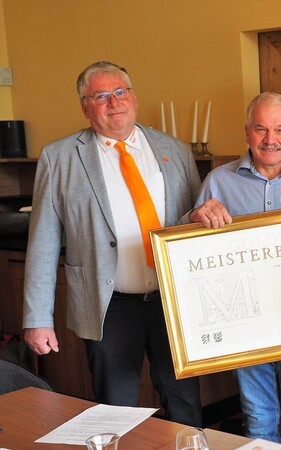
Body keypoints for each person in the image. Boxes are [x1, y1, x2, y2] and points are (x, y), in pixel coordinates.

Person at [22, 61, 217, 425]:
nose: (114, 102)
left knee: (185, 402)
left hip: (172, 301)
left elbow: (193, 220)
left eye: (120, 92)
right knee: (115, 409)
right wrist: (37, 318)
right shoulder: (60, 156)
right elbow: (44, 240)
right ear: (85, 107)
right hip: (108, 307)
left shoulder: (172, 149)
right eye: (101, 96)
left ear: (134, 97)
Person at [188, 92, 281, 450]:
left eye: (280, 130)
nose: (271, 139)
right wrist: (193, 219)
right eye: (261, 129)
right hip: (245, 324)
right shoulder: (217, 183)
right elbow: (190, 249)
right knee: (258, 418)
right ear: (247, 133)